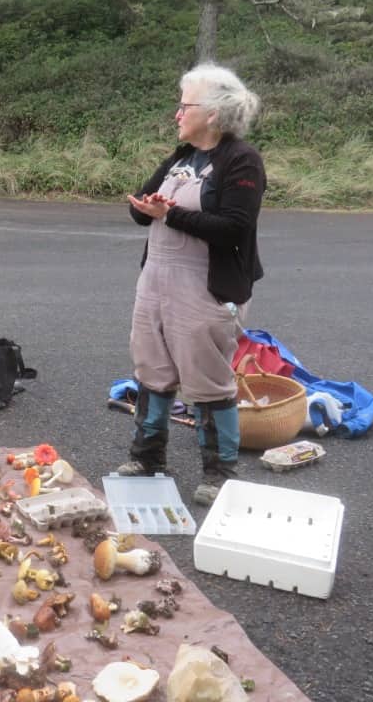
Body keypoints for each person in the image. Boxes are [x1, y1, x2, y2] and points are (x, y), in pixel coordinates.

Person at [118, 64, 265, 507]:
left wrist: (172, 214)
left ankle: (219, 472)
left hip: (204, 286)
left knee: (208, 380)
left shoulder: (242, 160)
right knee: (152, 368)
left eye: (185, 106)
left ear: (214, 114)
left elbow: (235, 227)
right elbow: (141, 212)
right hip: (156, 280)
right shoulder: (181, 157)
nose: (177, 114)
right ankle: (147, 457)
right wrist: (150, 206)